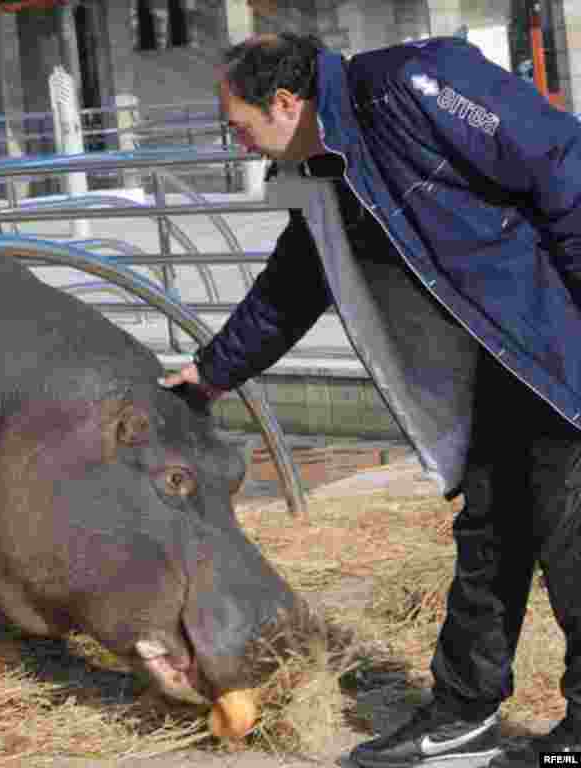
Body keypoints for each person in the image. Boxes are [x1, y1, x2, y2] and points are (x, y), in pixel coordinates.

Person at [158, 32, 581, 768]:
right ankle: (462, 712)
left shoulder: (416, 85)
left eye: (241, 125)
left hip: (558, 340)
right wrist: (215, 371)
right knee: (493, 527)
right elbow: (296, 282)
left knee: (572, 534)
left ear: (285, 104)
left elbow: (562, 162)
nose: (242, 145)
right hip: (507, 360)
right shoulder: (327, 176)